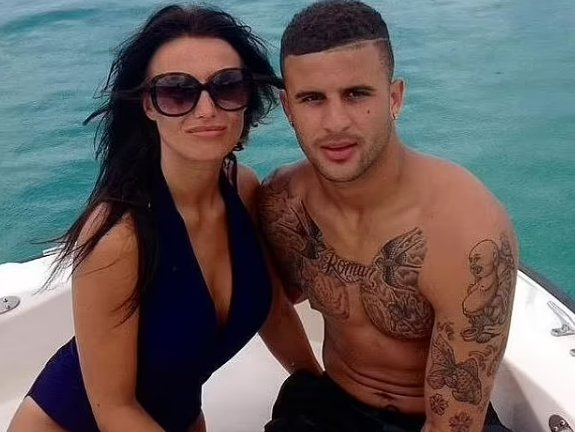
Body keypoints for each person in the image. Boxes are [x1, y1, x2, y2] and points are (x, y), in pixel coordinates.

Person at [7, 4, 319, 432]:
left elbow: (275, 312)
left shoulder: (243, 190)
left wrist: (322, 394)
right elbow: (113, 408)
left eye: (227, 86)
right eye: (177, 91)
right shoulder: (119, 236)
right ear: (149, 106)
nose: (206, 109)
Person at [258, 1, 518, 431]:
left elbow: (452, 424)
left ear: (394, 97)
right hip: (331, 401)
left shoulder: (466, 232)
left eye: (356, 94)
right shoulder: (284, 202)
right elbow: (269, 302)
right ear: (288, 108)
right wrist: (306, 376)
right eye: (312, 99)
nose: (335, 122)